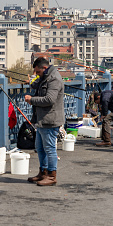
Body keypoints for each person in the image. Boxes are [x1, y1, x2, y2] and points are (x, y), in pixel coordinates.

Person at [24, 57, 64, 186]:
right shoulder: (46, 77)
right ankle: (43, 172)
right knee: (40, 148)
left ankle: (52, 176)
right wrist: (31, 81)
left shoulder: (54, 79)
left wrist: (32, 100)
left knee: (50, 149)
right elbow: (37, 84)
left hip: (50, 119)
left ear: (44, 68)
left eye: (38, 72)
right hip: (42, 119)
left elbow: (50, 99)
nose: (36, 74)